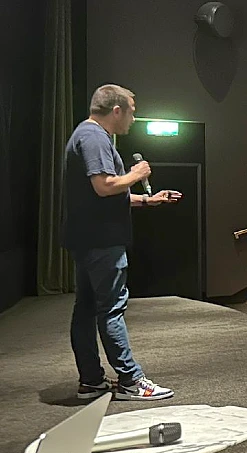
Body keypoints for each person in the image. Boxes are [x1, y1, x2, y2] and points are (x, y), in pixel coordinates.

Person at [63, 83, 182, 401]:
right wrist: (136, 173)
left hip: (89, 239)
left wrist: (148, 200)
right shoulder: (94, 137)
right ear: (116, 111)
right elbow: (104, 186)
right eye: (131, 110)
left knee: (87, 309)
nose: (133, 117)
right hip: (102, 241)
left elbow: (103, 195)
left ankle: (91, 381)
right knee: (111, 309)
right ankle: (131, 380)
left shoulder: (87, 135)